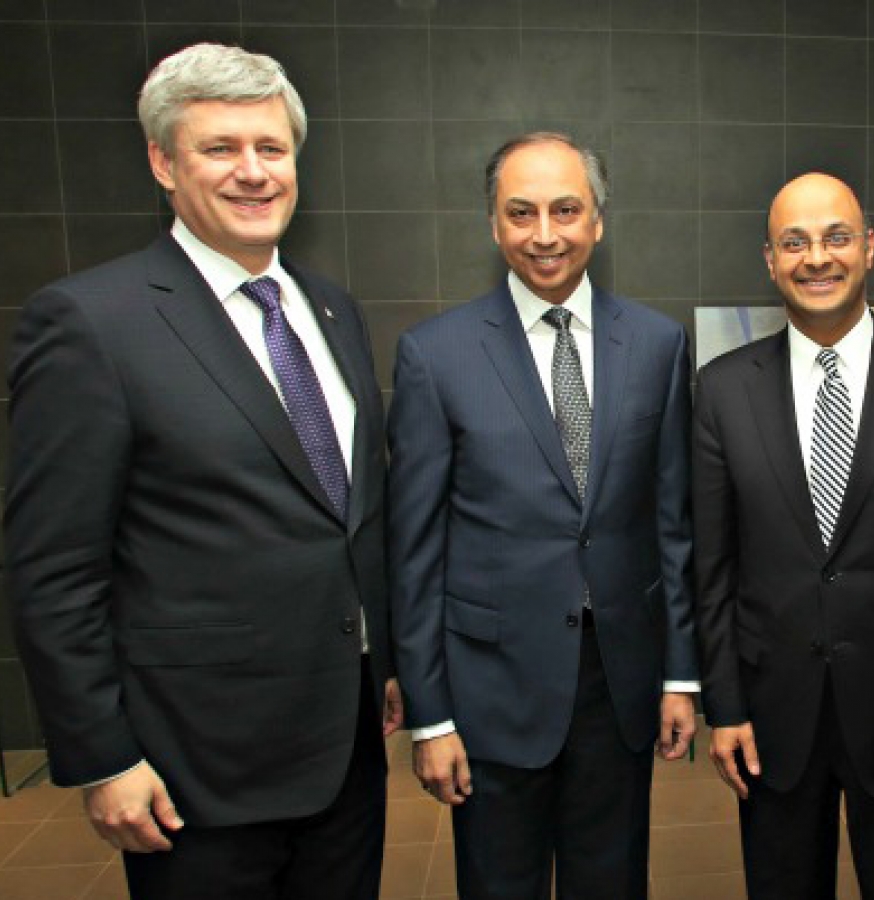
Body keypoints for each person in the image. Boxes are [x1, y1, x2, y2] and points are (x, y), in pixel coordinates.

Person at [5, 43, 399, 900]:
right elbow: (52, 567)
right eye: (221, 149)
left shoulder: (330, 308)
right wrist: (101, 756)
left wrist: (387, 657)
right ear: (162, 162)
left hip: (344, 751)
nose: (254, 173)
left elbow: (349, 512)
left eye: (272, 148)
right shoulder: (89, 323)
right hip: (196, 774)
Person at [387, 131, 698, 899]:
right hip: (491, 688)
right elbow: (414, 551)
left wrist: (680, 675)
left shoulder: (659, 345)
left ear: (598, 220)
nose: (545, 234)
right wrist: (431, 717)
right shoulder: (435, 355)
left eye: (567, 210)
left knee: (612, 881)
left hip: (619, 682)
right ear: (493, 225)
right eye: (520, 213)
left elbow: (673, 524)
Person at [693, 172, 874, 899]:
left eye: (836, 237)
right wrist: (723, 706)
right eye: (795, 242)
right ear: (769, 259)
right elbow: (711, 568)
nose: (816, 257)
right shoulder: (722, 387)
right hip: (772, 713)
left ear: (869, 247)